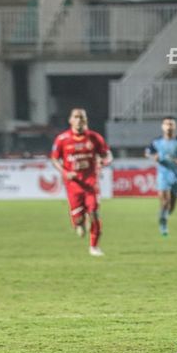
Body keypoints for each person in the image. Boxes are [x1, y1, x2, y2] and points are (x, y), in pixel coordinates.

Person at [51, 108, 113, 256]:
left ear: (86, 120)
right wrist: (65, 172)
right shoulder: (62, 139)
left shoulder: (94, 138)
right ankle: (79, 222)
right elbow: (54, 158)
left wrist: (105, 161)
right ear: (70, 120)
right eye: (76, 117)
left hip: (91, 183)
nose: (79, 120)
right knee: (78, 221)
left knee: (94, 213)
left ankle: (94, 246)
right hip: (73, 185)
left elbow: (107, 154)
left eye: (82, 117)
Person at [145, 117, 177, 236]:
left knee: (171, 206)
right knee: (165, 201)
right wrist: (154, 157)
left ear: (175, 127)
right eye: (166, 124)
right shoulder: (156, 142)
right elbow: (147, 153)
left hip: (176, 176)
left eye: (171, 124)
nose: (169, 126)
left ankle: (164, 215)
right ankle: (163, 224)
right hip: (163, 174)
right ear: (162, 126)